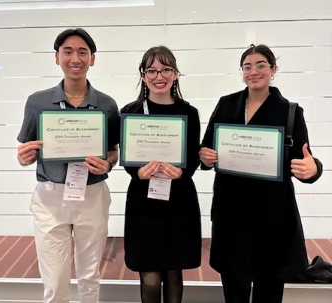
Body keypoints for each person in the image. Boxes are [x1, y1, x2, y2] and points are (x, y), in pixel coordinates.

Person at [199, 44, 323, 303]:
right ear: (241, 73)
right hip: (230, 212)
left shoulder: (290, 111)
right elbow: (207, 147)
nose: (253, 71)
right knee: (234, 287)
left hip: (273, 217)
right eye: (247, 67)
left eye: (261, 65)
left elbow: (304, 159)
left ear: (273, 70)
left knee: (269, 289)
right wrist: (205, 156)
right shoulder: (226, 104)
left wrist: (314, 169)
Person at [16, 28, 120, 303]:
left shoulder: (107, 105)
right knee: (54, 280)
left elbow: (113, 152)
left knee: (89, 276)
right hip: (51, 197)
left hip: (92, 196)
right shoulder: (37, 102)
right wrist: (24, 157)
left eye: (82, 52)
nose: (76, 58)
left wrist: (107, 165)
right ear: (57, 57)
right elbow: (25, 150)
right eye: (68, 51)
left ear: (92, 59)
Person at [120, 45, 202, 303]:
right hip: (144, 202)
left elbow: (192, 159)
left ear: (176, 74)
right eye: (152, 70)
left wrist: (181, 171)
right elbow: (128, 159)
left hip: (178, 202)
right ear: (143, 75)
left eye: (166, 69)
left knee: (174, 270)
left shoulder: (189, 113)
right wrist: (138, 172)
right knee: (151, 276)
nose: (159, 76)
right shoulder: (130, 113)